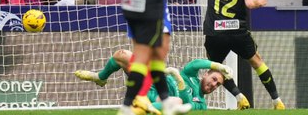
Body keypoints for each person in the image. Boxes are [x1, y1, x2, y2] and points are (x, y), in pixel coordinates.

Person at [185, 0, 286, 110]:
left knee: (217, 68)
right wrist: (259, 2)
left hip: (215, 32)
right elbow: (249, 2)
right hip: (238, 32)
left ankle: (240, 98)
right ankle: (277, 101)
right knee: (257, 63)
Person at [74, 49, 233, 112]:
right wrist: (218, 65)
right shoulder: (190, 74)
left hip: (157, 98)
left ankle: (141, 109)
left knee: (176, 101)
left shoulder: (202, 104)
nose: (213, 84)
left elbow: (186, 103)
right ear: (205, 75)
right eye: (213, 79)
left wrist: (178, 79)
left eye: (218, 84)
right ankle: (100, 78)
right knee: (123, 55)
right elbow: (196, 63)